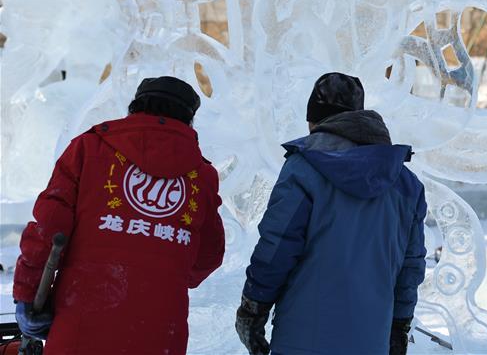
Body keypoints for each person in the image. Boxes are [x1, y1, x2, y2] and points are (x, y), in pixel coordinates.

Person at [13, 76, 225, 354]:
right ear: (189, 119)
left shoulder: (89, 148)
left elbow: (49, 228)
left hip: (80, 317)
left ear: (134, 108)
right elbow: (209, 254)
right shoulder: (202, 175)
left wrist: (26, 296)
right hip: (161, 329)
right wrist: (164, 272)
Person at [236, 72, 427, 355]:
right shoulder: (407, 185)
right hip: (370, 340)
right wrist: (399, 325)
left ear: (315, 120)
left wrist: (253, 308)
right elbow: (410, 268)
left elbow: (277, 247)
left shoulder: (304, 169)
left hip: (302, 338)